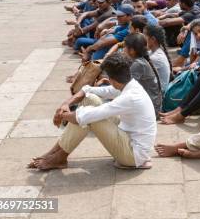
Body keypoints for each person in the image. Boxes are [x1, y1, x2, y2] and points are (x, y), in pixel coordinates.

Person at [28, 53, 157, 170]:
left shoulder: (130, 97)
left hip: (133, 155)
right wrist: (67, 103)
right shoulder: (129, 84)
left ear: (111, 79)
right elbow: (90, 90)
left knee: (90, 117)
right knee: (91, 99)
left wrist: (62, 115)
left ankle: (59, 156)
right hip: (129, 137)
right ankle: (54, 153)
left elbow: (87, 116)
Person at [124, 33, 163, 115]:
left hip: (150, 110)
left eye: (125, 47)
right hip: (152, 106)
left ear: (132, 50)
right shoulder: (140, 61)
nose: (123, 49)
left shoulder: (138, 64)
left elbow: (125, 87)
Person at [144, 25, 172, 92]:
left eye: (144, 36)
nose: (142, 39)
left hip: (158, 95)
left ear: (153, 39)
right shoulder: (154, 51)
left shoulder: (156, 58)